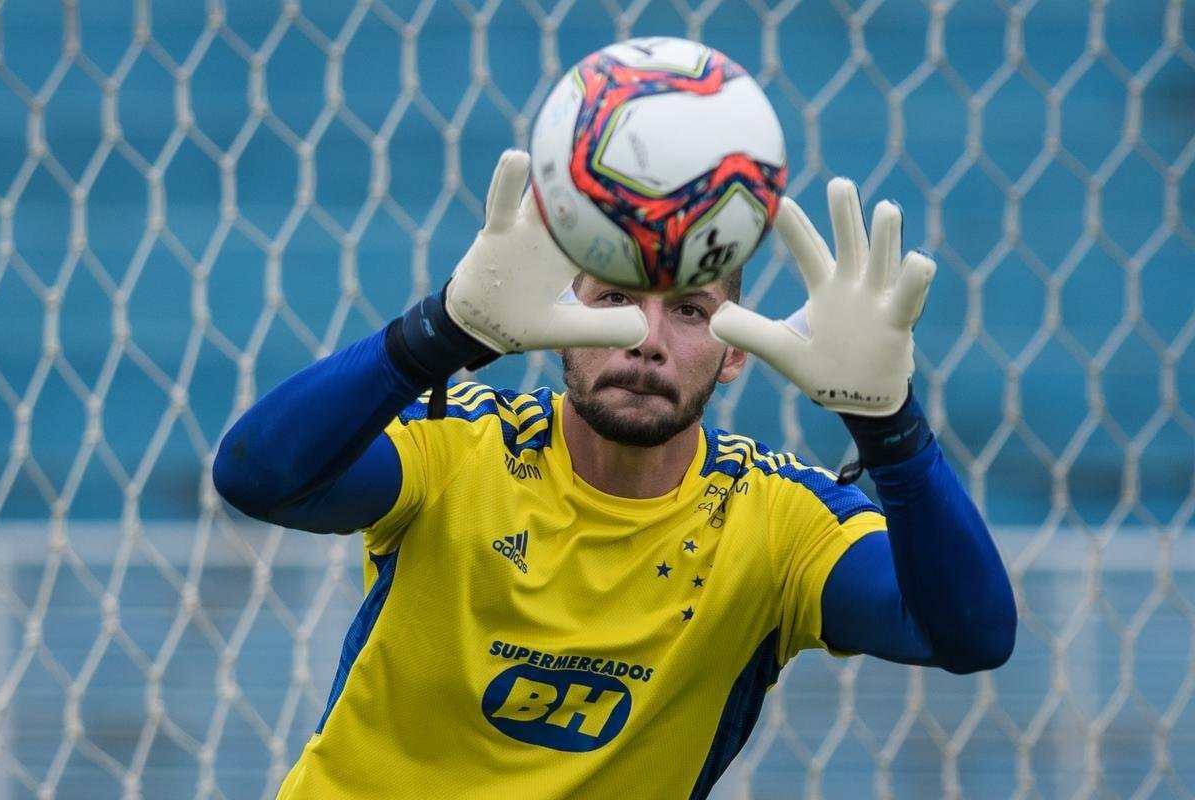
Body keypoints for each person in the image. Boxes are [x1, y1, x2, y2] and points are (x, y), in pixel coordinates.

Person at [213, 151, 1016, 799]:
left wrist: (890, 427)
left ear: (736, 353)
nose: (646, 338)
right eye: (616, 300)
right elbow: (258, 478)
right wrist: (440, 331)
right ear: (560, 319)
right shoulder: (460, 446)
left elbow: (969, 638)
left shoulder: (779, 522)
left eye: (691, 312)